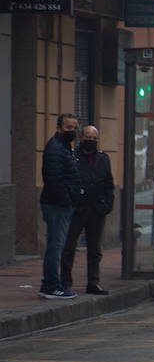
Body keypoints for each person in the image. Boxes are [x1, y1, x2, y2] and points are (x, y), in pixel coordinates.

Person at [61, 126, 114, 295]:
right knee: (69, 247)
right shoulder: (72, 156)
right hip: (78, 209)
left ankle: (93, 282)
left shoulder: (103, 159)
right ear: (81, 138)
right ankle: (65, 282)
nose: (90, 140)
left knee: (94, 249)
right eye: (87, 137)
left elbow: (108, 183)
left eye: (94, 138)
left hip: (97, 209)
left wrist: (107, 204)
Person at [39, 113, 82, 299]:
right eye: (68, 127)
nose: (71, 131)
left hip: (60, 204)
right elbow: (54, 178)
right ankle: (51, 286)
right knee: (55, 246)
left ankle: (50, 284)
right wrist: (67, 200)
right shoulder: (56, 148)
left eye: (74, 127)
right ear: (58, 128)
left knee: (56, 245)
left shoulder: (64, 147)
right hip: (57, 205)